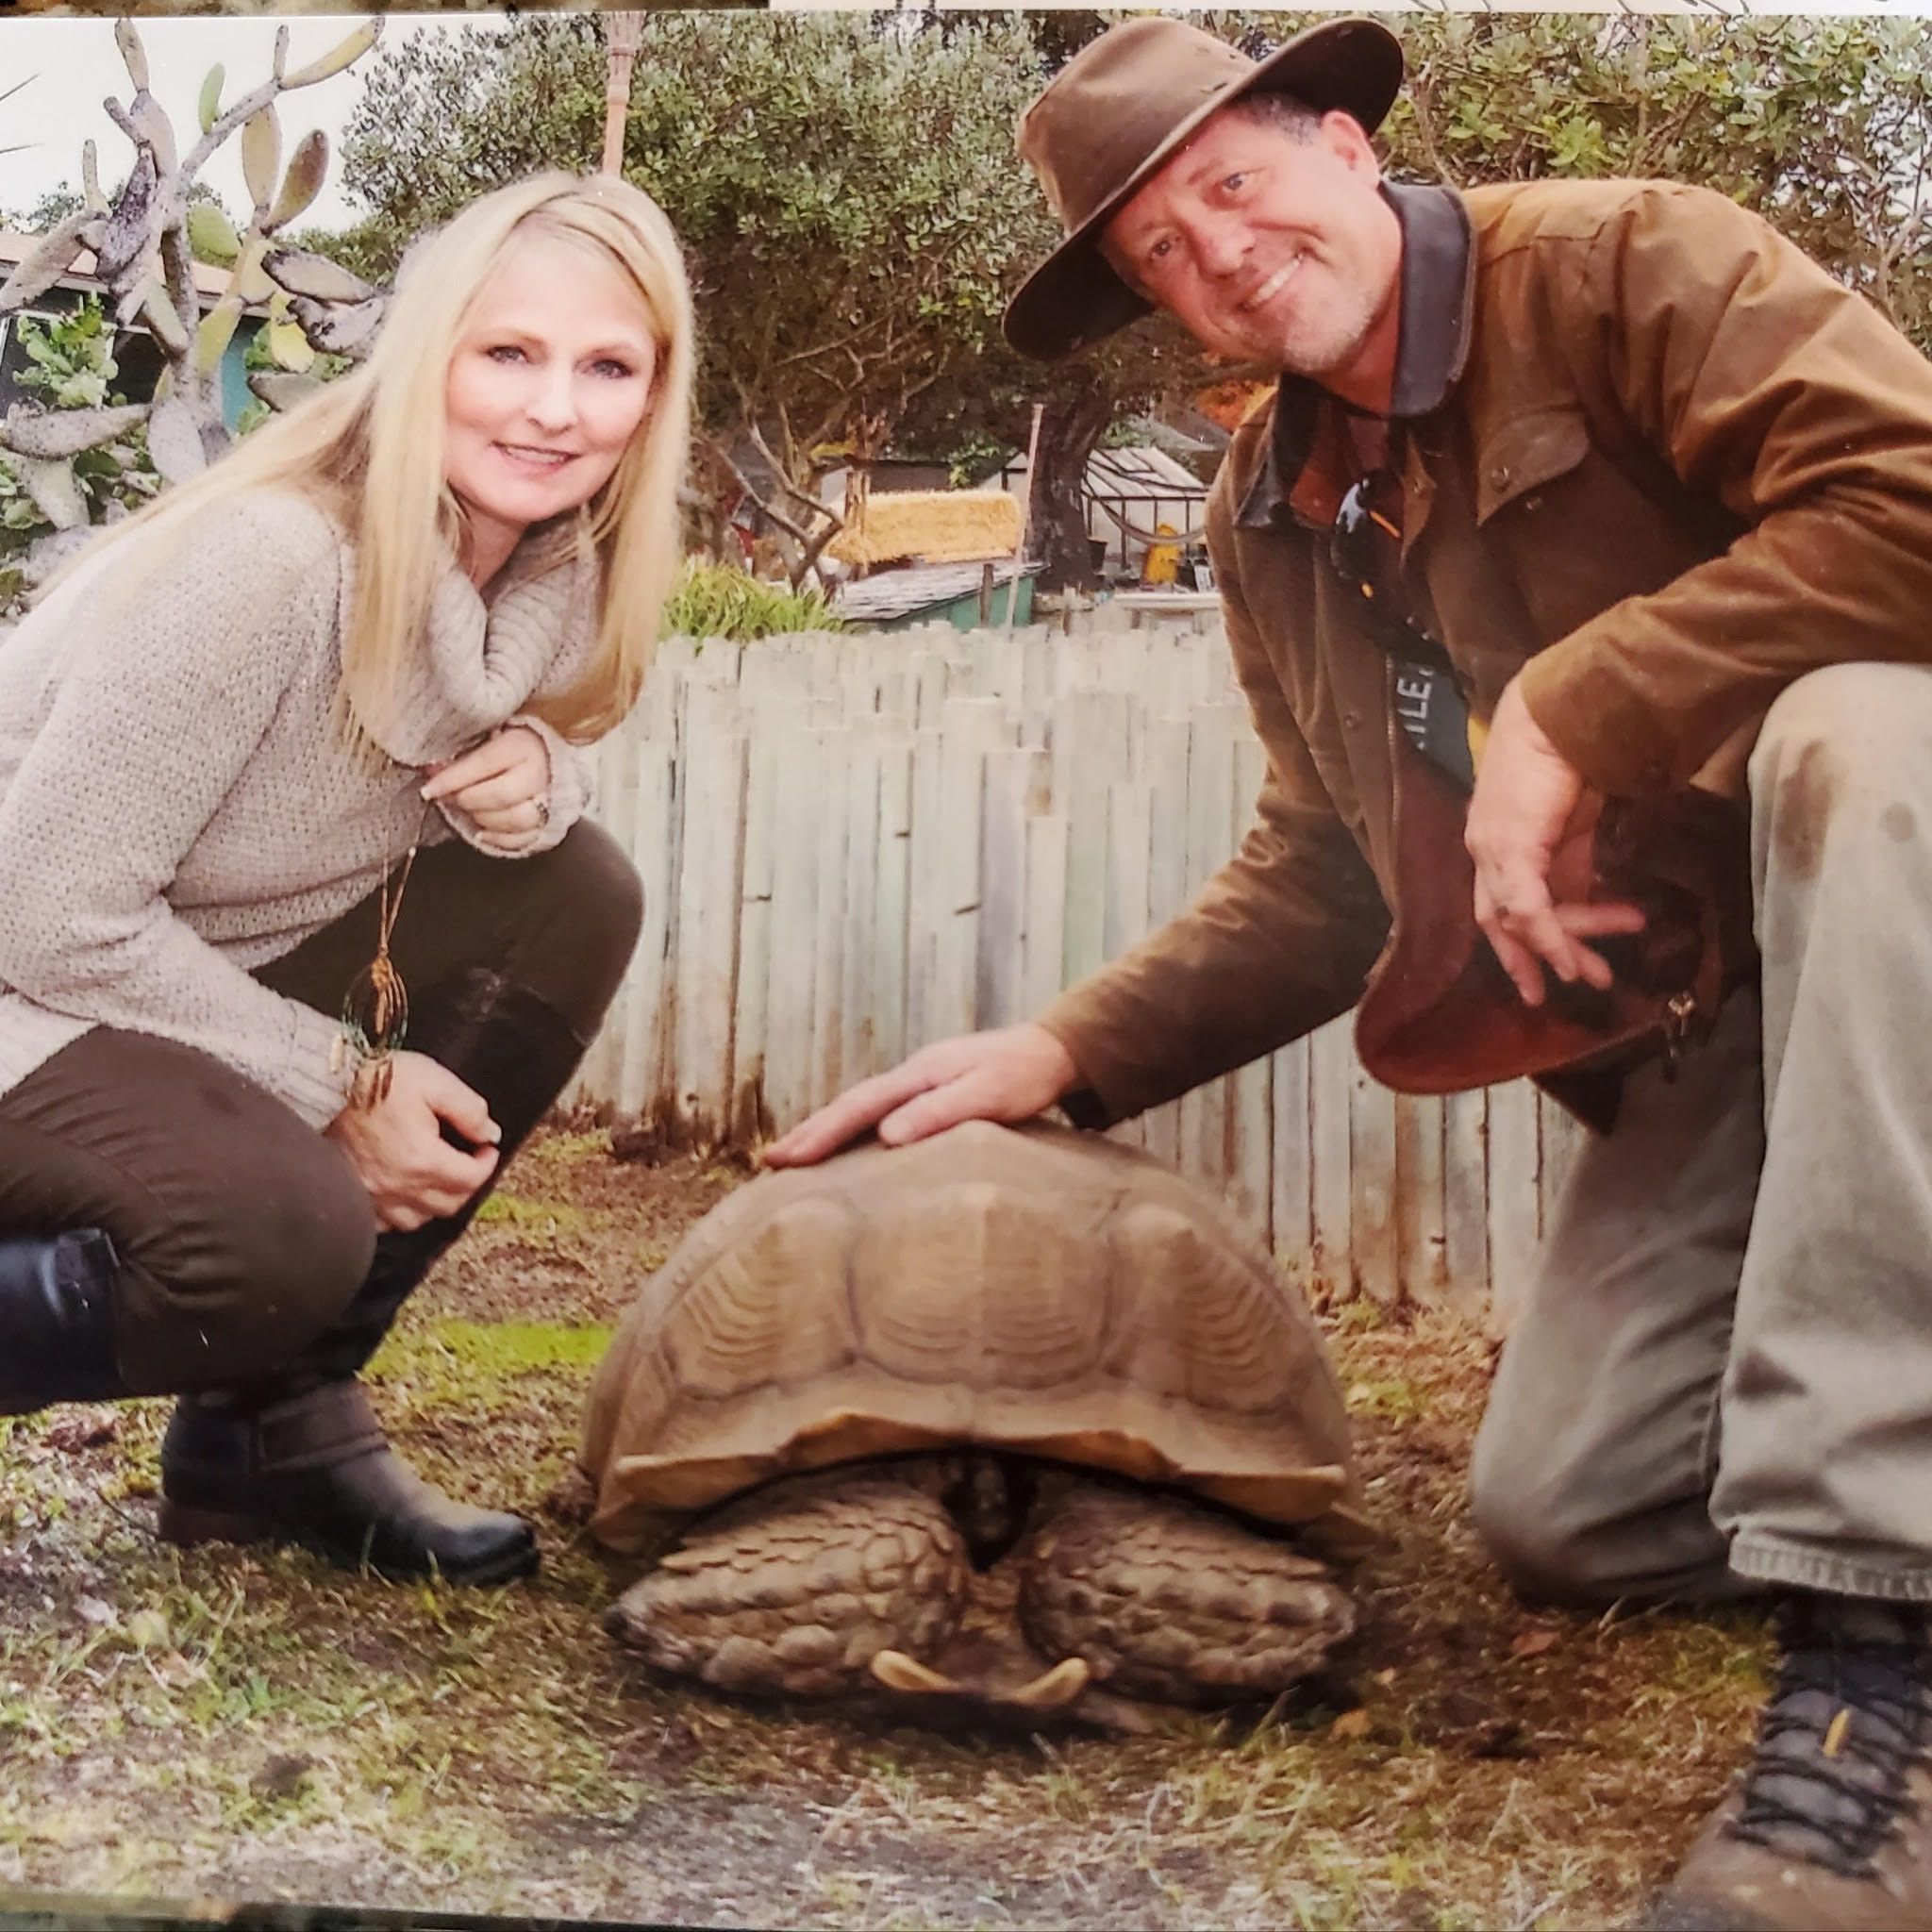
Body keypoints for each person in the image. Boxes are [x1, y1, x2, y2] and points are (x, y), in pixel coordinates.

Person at [762, 18, 1932, 1928]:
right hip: (1726, 1014)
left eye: (1233, 184)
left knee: (1864, 735)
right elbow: (1324, 872)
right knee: (1572, 1512)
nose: (1218, 253)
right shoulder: (1273, 510)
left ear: (1341, 144)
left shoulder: (1630, 264)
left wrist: (1582, 703)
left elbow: (1912, 502)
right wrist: (1065, 1053)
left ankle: (1883, 1642)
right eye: (1159, 247)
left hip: (1902, 907)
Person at [0, 170, 694, 1590]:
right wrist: (342, 1084)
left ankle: (273, 1428)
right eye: (508, 353)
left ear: (654, 398)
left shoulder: (534, 580)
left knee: (577, 892)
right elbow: (45, 912)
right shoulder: (270, 559)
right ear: (426, 355)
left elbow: (396, 799)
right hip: (27, 965)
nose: (553, 409)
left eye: (606, 367)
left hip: (119, 972)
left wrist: (543, 775)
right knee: (270, 1231)